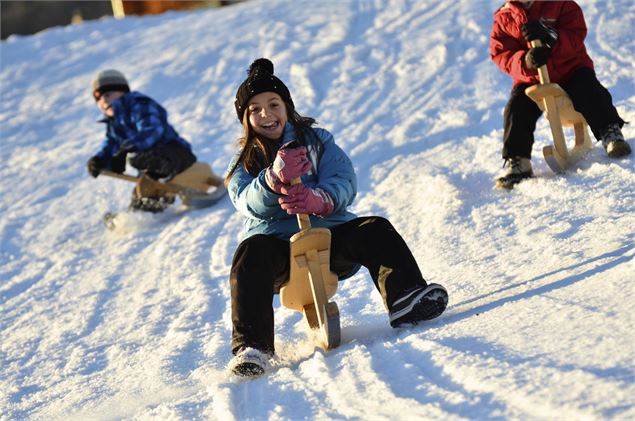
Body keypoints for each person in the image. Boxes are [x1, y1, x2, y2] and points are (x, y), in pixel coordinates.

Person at [225, 58, 449, 377]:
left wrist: (320, 198)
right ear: (246, 120)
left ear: (287, 107)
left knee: (375, 229)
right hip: (277, 249)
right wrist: (272, 180)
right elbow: (246, 201)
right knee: (249, 256)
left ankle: (406, 296)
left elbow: (344, 179)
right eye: (255, 110)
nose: (266, 114)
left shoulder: (317, 142)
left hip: (328, 237)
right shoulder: (245, 161)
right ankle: (253, 347)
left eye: (273, 104)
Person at [490, 0, 631, 189]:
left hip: (570, 68)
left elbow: (576, 33)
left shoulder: (561, 4)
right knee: (517, 108)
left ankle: (610, 131)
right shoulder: (504, 18)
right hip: (533, 78)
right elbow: (502, 54)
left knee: (589, 89)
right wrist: (525, 61)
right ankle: (518, 160)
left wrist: (551, 36)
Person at [86, 69, 197, 212]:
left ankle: (165, 175)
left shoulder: (139, 105)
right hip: (149, 167)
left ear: (122, 92)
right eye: (98, 99)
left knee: (136, 158)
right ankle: (141, 212)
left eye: (107, 94)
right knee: (141, 188)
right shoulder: (114, 124)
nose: (103, 101)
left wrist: (127, 148)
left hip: (175, 154)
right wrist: (99, 160)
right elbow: (110, 145)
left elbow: (153, 129)